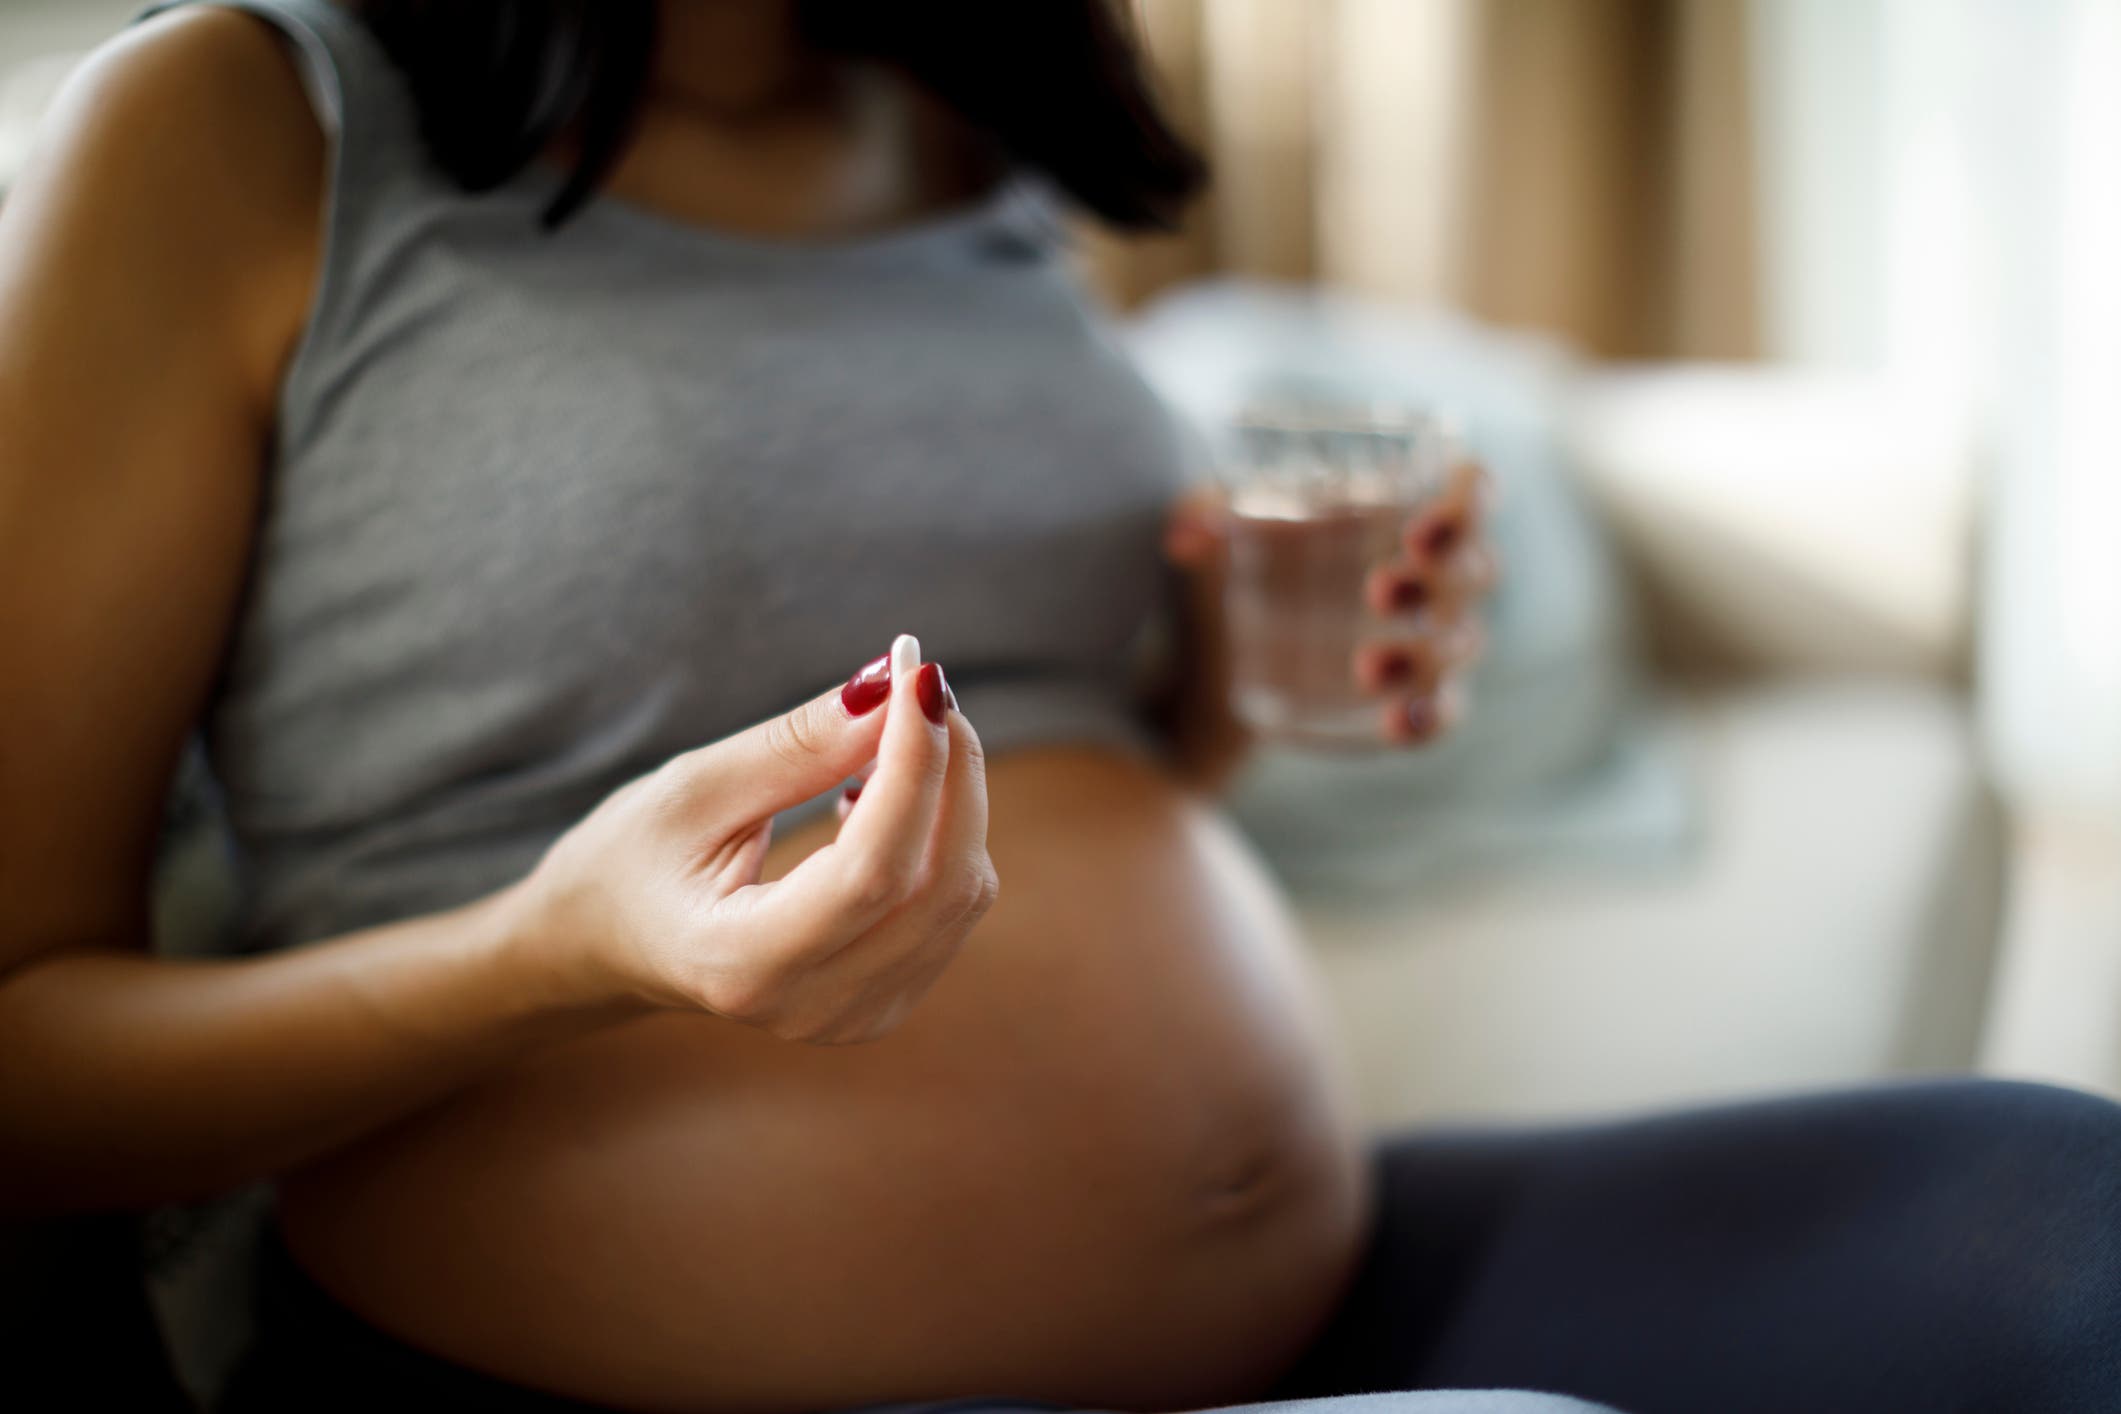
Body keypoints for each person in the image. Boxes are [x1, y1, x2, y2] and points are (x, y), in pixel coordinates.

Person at [0, 3, 2114, 1412]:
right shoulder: (233, 129)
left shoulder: (956, 124)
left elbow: (1055, 746)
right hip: (609, 1380)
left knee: (2052, 1216)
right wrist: (552, 956)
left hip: (1283, 1282)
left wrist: (1222, 692)